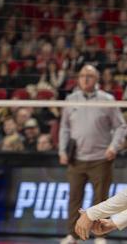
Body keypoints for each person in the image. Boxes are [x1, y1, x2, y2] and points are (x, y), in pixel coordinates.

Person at [59, 65, 127, 244]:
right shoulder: (71, 99)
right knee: (74, 198)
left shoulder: (107, 99)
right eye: (82, 75)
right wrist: (62, 150)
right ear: (78, 78)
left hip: (101, 158)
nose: (86, 79)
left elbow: (121, 126)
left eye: (89, 75)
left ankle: (99, 236)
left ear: (97, 78)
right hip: (76, 158)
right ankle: (72, 235)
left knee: (101, 198)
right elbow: (64, 127)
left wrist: (113, 147)